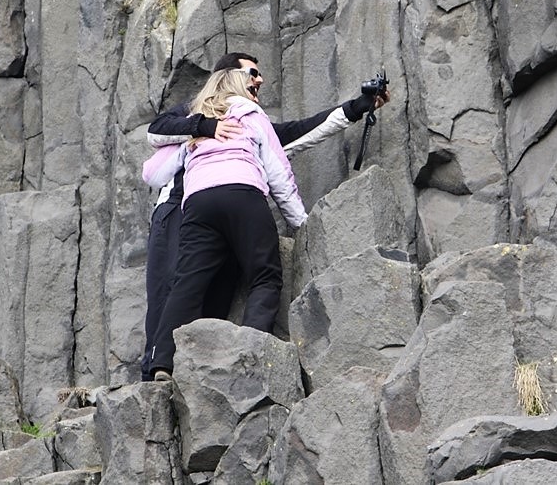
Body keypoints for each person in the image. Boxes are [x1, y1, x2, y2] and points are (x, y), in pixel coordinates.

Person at [139, 52, 388, 380]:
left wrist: (356, 107)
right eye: (252, 73)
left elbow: (296, 132)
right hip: (179, 206)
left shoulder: (236, 115)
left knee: (204, 289)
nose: (259, 80)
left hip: (198, 207)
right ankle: (236, 359)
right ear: (229, 75)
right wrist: (206, 126)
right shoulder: (200, 111)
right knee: (211, 281)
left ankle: (175, 369)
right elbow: (157, 130)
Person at [147, 69, 307, 379]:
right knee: (264, 275)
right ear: (238, 87)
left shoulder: (195, 123)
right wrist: (301, 224)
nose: (256, 86)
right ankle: (249, 353)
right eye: (252, 81)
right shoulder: (250, 113)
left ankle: (163, 361)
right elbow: (279, 174)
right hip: (242, 192)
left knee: (188, 283)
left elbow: (152, 172)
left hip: (198, 203)